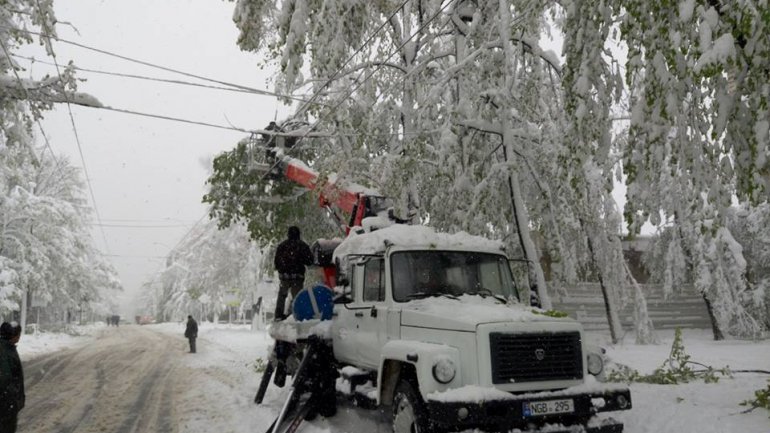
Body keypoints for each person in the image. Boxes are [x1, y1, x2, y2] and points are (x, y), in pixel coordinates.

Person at [273, 226, 313, 321]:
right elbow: (309, 261)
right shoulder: (303, 246)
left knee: (282, 295)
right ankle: (297, 315)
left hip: (284, 276)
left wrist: (282, 270)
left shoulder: (282, 246)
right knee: (297, 297)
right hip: (297, 276)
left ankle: (278, 315)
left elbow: (276, 262)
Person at [0, 322, 24, 433]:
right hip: (6, 404)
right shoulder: (5, 351)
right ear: (12, 335)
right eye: (18, 334)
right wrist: (13, 400)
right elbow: (4, 378)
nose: (19, 337)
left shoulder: (7, 347)